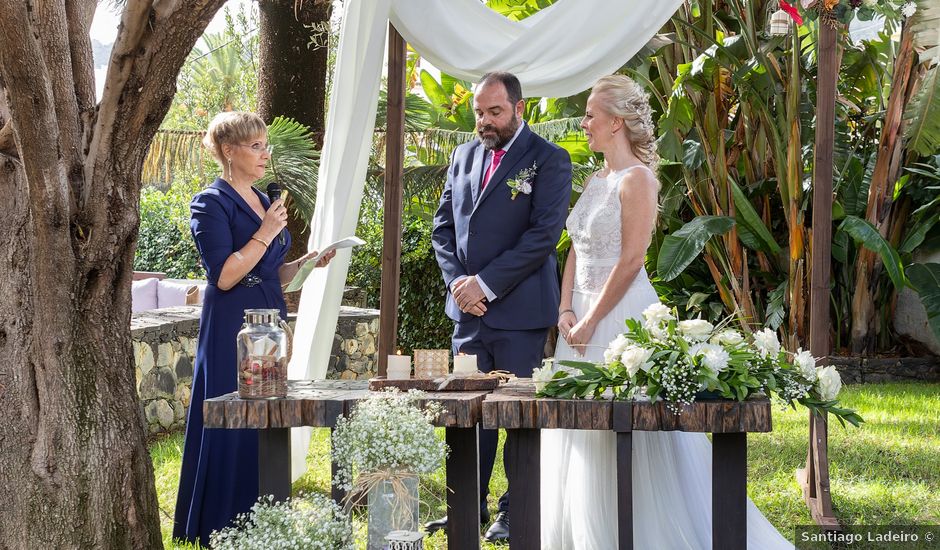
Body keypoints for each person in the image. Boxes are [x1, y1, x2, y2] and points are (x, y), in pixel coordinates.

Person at [540, 75, 792, 549]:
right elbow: (576, 247)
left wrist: (594, 321)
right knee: (578, 429)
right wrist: (566, 308)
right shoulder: (597, 179)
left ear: (616, 123)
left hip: (619, 320)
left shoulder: (639, 180)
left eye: (591, 114)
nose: (585, 122)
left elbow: (632, 259)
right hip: (579, 319)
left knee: (630, 425)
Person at [172, 111, 334, 545]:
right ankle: (221, 526)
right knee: (235, 414)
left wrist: (303, 264)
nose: (266, 154)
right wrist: (265, 232)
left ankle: (266, 520)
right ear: (229, 151)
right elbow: (224, 275)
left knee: (267, 415)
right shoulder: (210, 202)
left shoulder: (265, 199)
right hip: (232, 325)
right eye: (256, 146)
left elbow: (266, 272)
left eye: (266, 145)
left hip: (270, 317)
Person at [430, 71, 572, 542]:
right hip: (466, 316)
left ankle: (515, 510)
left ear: (519, 108)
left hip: (519, 313)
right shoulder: (464, 154)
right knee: (466, 414)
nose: (485, 122)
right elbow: (443, 229)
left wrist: (485, 285)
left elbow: (543, 237)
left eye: (495, 112)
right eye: (479, 113)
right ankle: (466, 507)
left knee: (515, 416)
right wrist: (459, 287)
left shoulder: (550, 160)